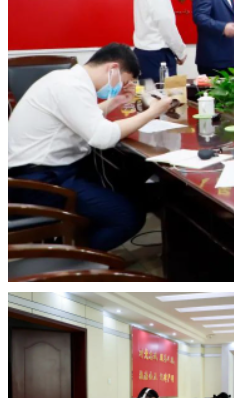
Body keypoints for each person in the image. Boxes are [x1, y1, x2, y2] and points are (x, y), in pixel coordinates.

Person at [8, 43, 174, 250]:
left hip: (45, 172)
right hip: (39, 181)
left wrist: (117, 100)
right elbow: (103, 137)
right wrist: (152, 112)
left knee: (126, 186)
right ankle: (72, 259)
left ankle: (72, 244)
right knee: (126, 217)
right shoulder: (71, 86)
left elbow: (84, 116)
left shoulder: (67, 79)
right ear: (112, 68)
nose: (121, 86)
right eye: (123, 81)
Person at [133, 0, 187, 82]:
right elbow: (167, 28)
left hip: (143, 53)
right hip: (158, 56)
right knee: (166, 93)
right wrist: (181, 52)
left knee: (148, 93)